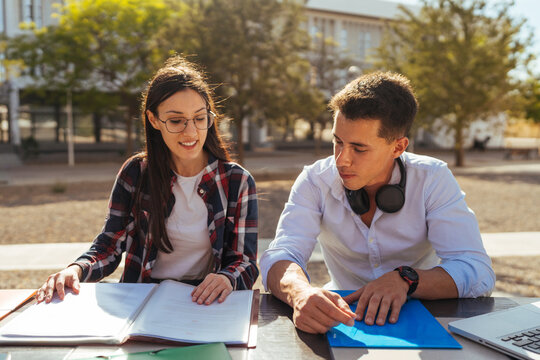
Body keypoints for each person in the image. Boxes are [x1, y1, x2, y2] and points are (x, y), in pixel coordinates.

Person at [259, 72, 495, 334]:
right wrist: (300, 293)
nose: (342, 160)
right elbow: (282, 253)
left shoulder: (432, 178)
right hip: (343, 319)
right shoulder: (315, 180)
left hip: (420, 313)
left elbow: (477, 271)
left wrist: (407, 279)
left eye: (359, 149)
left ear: (398, 147)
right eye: (337, 142)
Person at [36, 55, 258, 305]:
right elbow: (109, 245)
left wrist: (227, 278)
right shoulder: (135, 173)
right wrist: (75, 269)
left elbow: (245, 262)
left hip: (203, 303)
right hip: (141, 300)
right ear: (154, 120)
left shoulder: (237, 181)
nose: (191, 132)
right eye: (176, 121)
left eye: (199, 118)